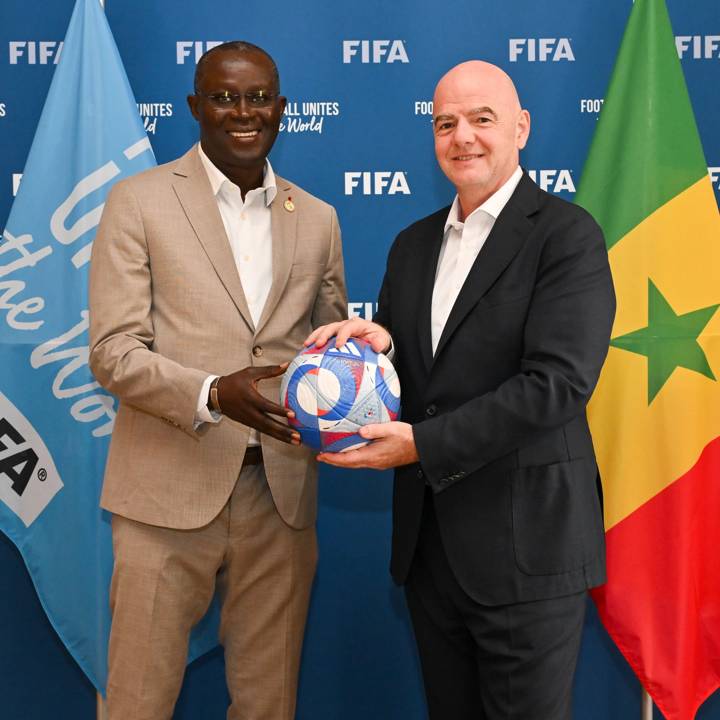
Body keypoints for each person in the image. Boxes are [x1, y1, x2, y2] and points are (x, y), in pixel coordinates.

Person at [307, 60, 615, 719]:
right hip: (431, 556)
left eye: (482, 119)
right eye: (445, 123)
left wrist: (421, 445)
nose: (463, 137)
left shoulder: (567, 236)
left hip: (528, 553)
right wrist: (382, 346)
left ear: (521, 128)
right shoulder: (412, 244)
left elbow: (556, 386)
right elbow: (428, 373)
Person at [89, 41, 346, 720]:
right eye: (225, 97)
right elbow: (112, 351)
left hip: (281, 497)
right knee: (136, 701)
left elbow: (331, 350)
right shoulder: (137, 201)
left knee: (268, 704)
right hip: (164, 491)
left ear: (282, 109)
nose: (243, 112)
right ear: (195, 107)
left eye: (258, 97)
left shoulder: (318, 219)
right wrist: (211, 393)